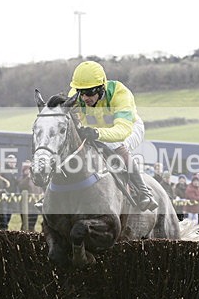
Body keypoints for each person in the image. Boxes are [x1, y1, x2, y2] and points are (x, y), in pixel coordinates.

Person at [67, 60, 158, 211]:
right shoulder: (76, 96)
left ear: (101, 87)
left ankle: (144, 192)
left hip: (129, 128)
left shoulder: (120, 93)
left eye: (89, 93)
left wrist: (97, 133)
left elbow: (122, 130)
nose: (84, 98)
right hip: (96, 130)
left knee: (115, 145)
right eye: (80, 92)